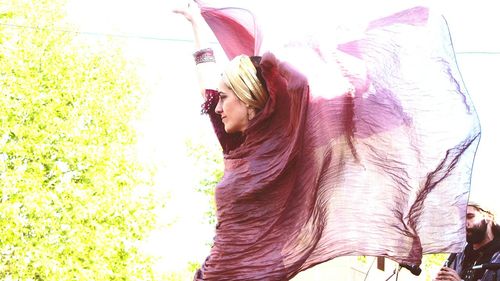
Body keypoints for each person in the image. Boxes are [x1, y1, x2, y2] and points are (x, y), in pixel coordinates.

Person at [173, 2, 481, 280]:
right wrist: (198, 27)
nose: (216, 106)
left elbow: (303, 86)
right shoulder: (235, 145)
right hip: (215, 272)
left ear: (248, 99)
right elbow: (208, 90)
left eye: (225, 98)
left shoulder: (294, 144)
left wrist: (271, 63)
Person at [435, 203, 500, 281]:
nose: (464, 224)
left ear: (489, 217)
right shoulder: (458, 254)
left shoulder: (497, 254)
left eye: (470, 217)